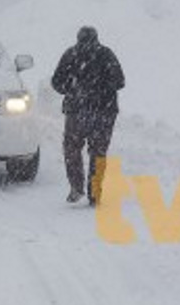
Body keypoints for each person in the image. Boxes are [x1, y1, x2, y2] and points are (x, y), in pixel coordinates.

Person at [51, 26, 125, 205]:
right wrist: (101, 90)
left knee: (72, 149)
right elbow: (119, 81)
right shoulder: (106, 54)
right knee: (98, 153)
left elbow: (56, 82)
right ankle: (95, 192)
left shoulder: (71, 54)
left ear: (78, 38)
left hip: (77, 111)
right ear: (96, 38)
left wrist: (73, 89)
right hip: (103, 112)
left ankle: (76, 187)